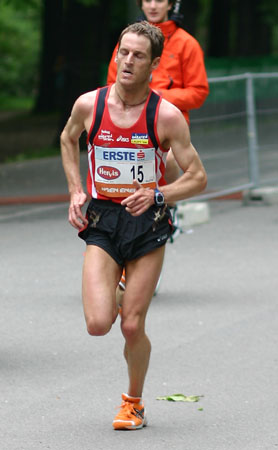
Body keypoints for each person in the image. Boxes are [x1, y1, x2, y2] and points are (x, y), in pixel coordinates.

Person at [60, 21, 207, 431]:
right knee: (97, 324)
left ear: (154, 64)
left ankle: (133, 403)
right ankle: (121, 289)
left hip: (147, 223)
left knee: (131, 325)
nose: (127, 61)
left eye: (138, 55)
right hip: (104, 219)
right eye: (122, 52)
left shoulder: (167, 116)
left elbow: (198, 177)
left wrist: (158, 193)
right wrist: (76, 190)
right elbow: (68, 137)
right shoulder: (90, 105)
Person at [108, 0, 209, 293]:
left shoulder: (186, 43)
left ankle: (166, 209)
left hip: (165, 129)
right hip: (127, 126)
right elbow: (111, 84)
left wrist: (157, 97)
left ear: (171, 4)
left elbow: (199, 92)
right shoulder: (128, 40)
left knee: (170, 161)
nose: (153, 5)